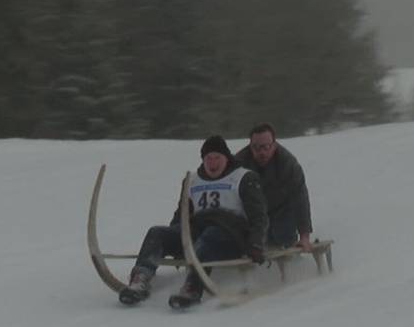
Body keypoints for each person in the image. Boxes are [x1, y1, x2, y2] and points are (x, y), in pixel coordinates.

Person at [119, 135, 268, 307]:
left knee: (210, 236)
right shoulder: (192, 180)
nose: (213, 163)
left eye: (217, 158)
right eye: (208, 158)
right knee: (157, 232)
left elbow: (259, 215)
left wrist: (257, 242)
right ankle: (140, 279)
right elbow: (182, 213)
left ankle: (192, 287)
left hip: (231, 235)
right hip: (197, 231)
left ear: (226, 158)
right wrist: (174, 239)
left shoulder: (243, 177)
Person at [234, 123, 314, 251]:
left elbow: (300, 199)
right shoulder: (238, 164)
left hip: (281, 209)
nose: (262, 152)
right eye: (256, 148)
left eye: (266, 147)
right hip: (252, 213)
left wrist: (305, 237)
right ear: (250, 147)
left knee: (283, 238)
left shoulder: (288, 164)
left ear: (274, 145)